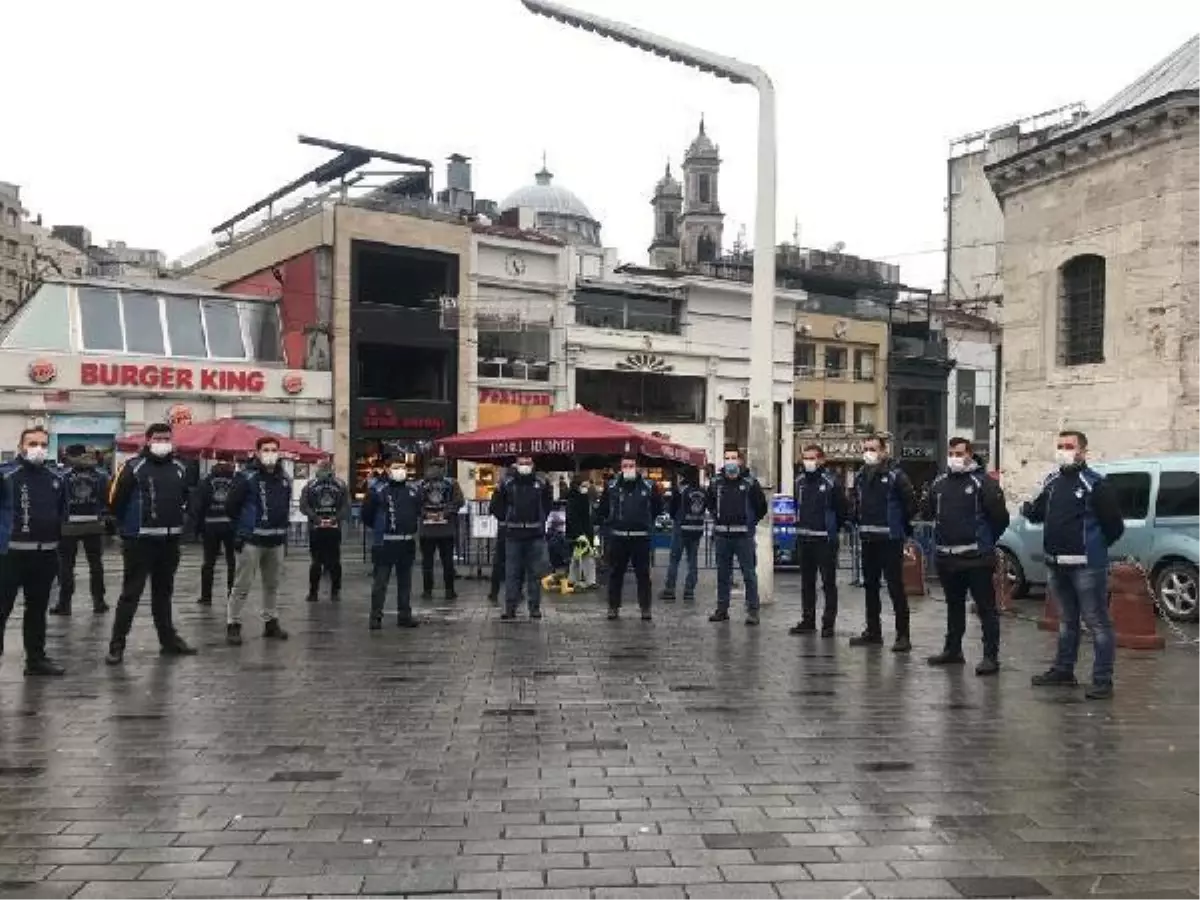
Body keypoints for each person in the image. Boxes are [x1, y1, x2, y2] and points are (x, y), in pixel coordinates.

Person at [1023, 429, 1125, 699]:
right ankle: (1063, 670)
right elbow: (1038, 513)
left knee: (1097, 622)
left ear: (1083, 451)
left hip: (1087, 566)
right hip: (1056, 563)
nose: (1064, 450)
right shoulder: (1052, 481)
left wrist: (1094, 547)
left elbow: (1114, 526)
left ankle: (1103, 679)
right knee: (1067, 620)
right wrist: (1028, 508)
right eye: (1060, 445)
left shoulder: (1095, 484)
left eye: (1069, 446)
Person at [105, 423, 196, 665]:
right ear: (147, 440)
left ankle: (168, 640)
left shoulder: (179, 468)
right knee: (131, 594)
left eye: (167, 438)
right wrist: (124, 529)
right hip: (140, 541)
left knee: (163, 593)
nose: (163, 442)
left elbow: (187, 498)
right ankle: (117, 644)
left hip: (169, 541)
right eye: (158, 438)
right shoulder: (133, 467)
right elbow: (114, 501)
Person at [923, 437, 1010, 675]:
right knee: (954, 606)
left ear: (970, 454)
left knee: (986, 608)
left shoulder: (983, 483)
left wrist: (985, 541)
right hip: (947, 557)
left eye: (959, 453)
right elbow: (928, 510)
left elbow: (1000, 518)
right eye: (951, 453)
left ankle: (990, 656)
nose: (955, 457)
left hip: (976, 558)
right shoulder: (939, 483)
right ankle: (953, 650)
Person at [0, 427, 69, 675]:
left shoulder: (56, 478)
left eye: (42, 444)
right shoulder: (6, 475)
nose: (37, 448)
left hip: (45, 555)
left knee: (37, 611)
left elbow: (61, 511)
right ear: (21, 446)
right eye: (32, 443)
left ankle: (36, 660)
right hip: (10, 556)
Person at [851, 434, 916, 652]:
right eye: (866, 449)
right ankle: (873, 631)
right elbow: (855, 502)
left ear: (884, 451)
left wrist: (902, 528)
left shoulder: (896, 476)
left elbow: (910, 504)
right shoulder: (861, 476)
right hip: (868, 538)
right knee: (870, 587)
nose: (869, 453)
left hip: (890, 539)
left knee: (895, 587)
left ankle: (903, 635)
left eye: (873, 449)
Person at [224, 436, 292, 646]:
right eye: (266, 449)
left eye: (273, 449)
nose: (270, 453)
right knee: (242, 585)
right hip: (251, 539)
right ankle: (233, 624)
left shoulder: (283, 478)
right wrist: (242, 530)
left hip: (276, 539)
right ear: (257, 452)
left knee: (272, 584)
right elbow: (231, 506)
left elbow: (285, 505)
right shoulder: (246, 477)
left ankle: (271, 621)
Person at [706, 446, 769, 626]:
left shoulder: (750, 483)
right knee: (722, 575)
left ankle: (753, 611)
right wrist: (718, 518)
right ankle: (722, 609)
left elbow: (761, 507)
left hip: (743, 536)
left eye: (734, 458)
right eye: (727, 458)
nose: (730, 461)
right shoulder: (716, 483)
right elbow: (709, 503)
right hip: (722, 536)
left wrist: (750, 523)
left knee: (749, 574)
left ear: (740, 461)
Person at [789, 444, 848, 638]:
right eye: (805, 458)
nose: (808, 462)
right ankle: (808, 620)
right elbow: (797, 506)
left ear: (821, 460)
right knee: (807, 583)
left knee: (828, 583)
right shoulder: (799, 482)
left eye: (812, 458)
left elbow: (842, 510)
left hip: (825, 541)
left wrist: (832, 529)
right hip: (805, 538)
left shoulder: (831, 482)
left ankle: (828, 624)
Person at [489, 453, 553, 621]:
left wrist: (540, 519)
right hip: (513, 534)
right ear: (516, 464)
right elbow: (496, 505)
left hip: (535, 534)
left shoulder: (541, 483)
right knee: (512, 573)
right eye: (521, 462)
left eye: (528, 462)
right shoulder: (507, 483)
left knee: (535, 574)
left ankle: (534, 608)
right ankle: (510, 607)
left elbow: (548, 504)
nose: (525, 465)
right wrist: (507, 518)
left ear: (533, 464)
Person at [598, 455, 662, 621]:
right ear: (620, 468)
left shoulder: (648, 486)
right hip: (618, 537)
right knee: (615, 574)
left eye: (631, 465)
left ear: (637, 467)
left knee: (643, 575)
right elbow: (603, 509)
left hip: (640, 538)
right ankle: (613, 607)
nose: (628, 468)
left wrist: (645, 522)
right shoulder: (612, 486)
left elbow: (657, 507)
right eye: (625, 465)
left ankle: (645, 608)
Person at [362, 454, 421, 629]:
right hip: (385, 543)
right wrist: (380, 527)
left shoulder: (412, 490)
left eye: (402, 467)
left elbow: (417, 510)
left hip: (406, 542)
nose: (400, 470)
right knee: (381, 581)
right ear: (387, 469)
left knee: (405, 582)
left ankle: (404, 615)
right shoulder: (377, 490)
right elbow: (367, 515)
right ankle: (375, 616)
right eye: (396, 467)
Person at [51, 443, 110, 616]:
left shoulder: (63, 476)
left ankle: (65, 604)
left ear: (68, 456)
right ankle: (99, 601)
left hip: (69, 526)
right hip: (94, 524)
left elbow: (57, 502)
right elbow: (106, 498)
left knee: (66, 566)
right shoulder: (101, 475)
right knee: (96, 564)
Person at [189, 457, 237, 607]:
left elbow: (198, 505)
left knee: (209, 562)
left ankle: (206, 596)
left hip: (210, 525)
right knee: (232, 562)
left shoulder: (206, 481)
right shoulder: (235, 481)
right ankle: (232, 594)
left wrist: (197, 527)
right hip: (231, 526)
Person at [300, 458, 349, 604]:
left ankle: (315, 593)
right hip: (328, 528)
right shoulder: (340, 485)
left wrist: (317, 518)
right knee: (330, 561)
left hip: (319, 528)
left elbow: (304, 506)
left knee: (319, 561)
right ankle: (332, 592)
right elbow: (346, 507)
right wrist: (333, 519)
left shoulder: (310, 485)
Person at [417, 458, 464, 600]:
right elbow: (459, 501)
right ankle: (449, 590)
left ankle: (427, 591)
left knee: (427, 562)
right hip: (446, 528)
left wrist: (426, 514)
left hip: (427, 529)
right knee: (447, 561)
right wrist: (445, 513)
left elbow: (416, 503)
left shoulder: (421, 484)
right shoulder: (452, 483)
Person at [660, 470, 707, 603]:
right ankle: (689, 591)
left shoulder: (680, 490)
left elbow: (672, 510)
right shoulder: (703, 491)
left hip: (681, 528)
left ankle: (670, 589)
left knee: (674, 560)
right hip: (697, 529)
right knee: (692, 561)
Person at [487, 465, 517, 605]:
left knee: (499, 561)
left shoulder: (501, 486)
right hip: (517, 528)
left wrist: (502, 518)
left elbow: (493, 507)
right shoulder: (519, 486)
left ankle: (494, 592)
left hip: (504, 527)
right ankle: (517, 592)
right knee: (517, 561)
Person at [565, 476, 596, 589]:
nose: (586, 488)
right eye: (584, 485)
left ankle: (573, 579)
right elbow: (574, 518)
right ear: (577, 486)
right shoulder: (577, 499)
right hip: (580, 533)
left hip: (580, 533)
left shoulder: (578, 498)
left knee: (578, 557)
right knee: (583, 557)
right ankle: (588, 581)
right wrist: (581, 533)